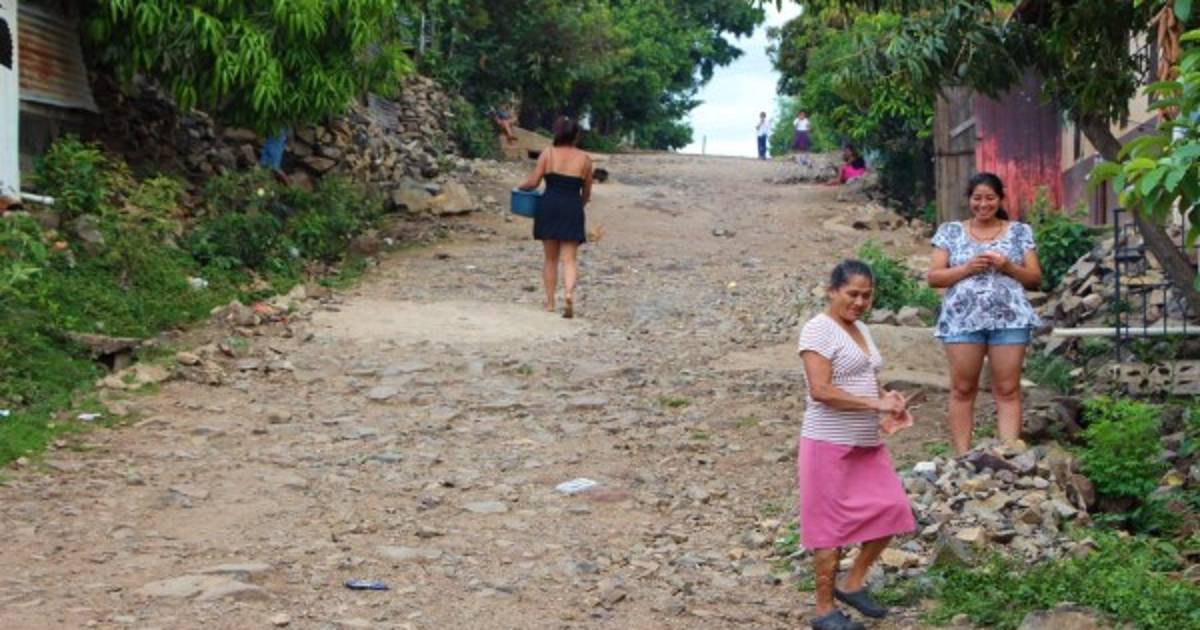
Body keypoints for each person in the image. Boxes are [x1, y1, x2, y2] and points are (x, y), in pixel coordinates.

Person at [797, 260, 916, 630]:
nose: (860, 302)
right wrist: (874, 404)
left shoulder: (861, 327)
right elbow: (820, 390)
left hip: (865, 443)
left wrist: (888, 400)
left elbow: (865, 374)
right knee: (828, 531)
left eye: (867, 295)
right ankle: (824, 611)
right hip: (827, 443)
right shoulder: (818, 330)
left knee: (892, 509)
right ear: (832, 291)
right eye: (852, 294)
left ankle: (852, 582)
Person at [926, 172, 1043, 456]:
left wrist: (1008, 267)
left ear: (1001, 199)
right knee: (963, 388)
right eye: (977, 198)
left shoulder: (1019, 231)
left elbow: (1035, 279)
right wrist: (967, 268)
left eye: (990, 198)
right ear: (969, 200)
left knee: (1008, 388)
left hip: (1010, 320)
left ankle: (1008, 453)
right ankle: (963, 456)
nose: (983, 204)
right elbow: (934, 277)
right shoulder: (950, 231)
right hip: (961, 321)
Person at [517, 116, 593, 319]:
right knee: (569, 260)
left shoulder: (548, 153)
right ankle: (568, 294)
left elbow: (533, 182)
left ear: (557, 133)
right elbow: (586, 193)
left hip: (549, 206)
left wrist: (518, 188)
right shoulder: (585, 160)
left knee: (550, 259)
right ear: (576, 136)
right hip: (572, 207)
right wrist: (577, 207)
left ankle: (550, 303)